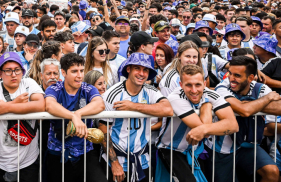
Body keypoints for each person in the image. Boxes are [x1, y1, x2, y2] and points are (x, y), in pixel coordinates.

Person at [156, 64, 238, 182]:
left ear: (204, 84)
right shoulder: (175, 97)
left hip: (194, 151)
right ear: (181, 85)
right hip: (171, 150)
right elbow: (201, 129)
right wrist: (206, 107)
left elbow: (233, 125)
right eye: (188, 85)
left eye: (198, 85)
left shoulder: (210, 94)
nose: (194, 90)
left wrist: (205, 126)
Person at [101, 53, 173, 182]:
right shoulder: (112, 94)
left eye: (146, 70)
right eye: (137, 68)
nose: (141, 73)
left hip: (142, 160)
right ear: (128, 69)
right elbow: (103, 130)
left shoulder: (151, 91)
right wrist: (115, 163)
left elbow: (167, 109)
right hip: (117, 161)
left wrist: (133, 106)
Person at [0, 52, 45, 182]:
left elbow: (41, 104)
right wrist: (14, 103)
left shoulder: (28, 83)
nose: (13, 74)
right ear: (0, 73)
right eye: (8, 71)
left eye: (17, 70)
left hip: (27, 159)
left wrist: (5, 108)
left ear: (22, 72)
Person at [213, 56, 281, 181]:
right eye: (230, 73)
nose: (231, 78)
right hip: (222, 148)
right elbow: (244, 111)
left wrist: (246, 105)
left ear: (250, 78)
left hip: (249, 146)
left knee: (272, 172)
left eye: (237, 75)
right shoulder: (222, 87)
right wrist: (265, 100)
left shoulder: (261, 88)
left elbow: (279, 108)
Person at [44, 53, 106, 182]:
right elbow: (50, 105)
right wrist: (73, 116)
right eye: (74, 71)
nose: (79, 75)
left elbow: (99, 104)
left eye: (81, 71)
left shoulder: (88, 88)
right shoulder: (55, 88)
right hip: (57, 151)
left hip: (85, 151)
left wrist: (77, 115)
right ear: (63, 72)